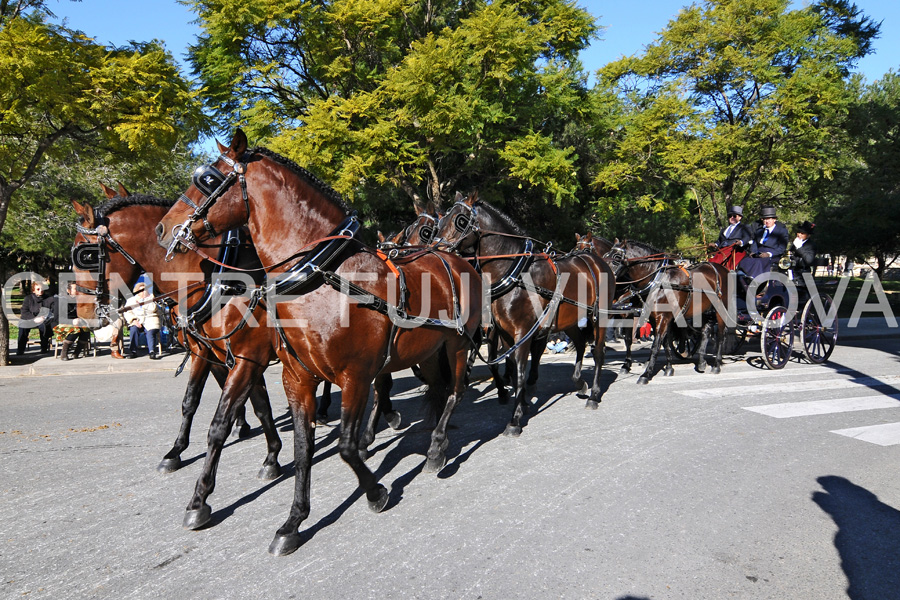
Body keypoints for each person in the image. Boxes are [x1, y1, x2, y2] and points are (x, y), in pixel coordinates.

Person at [738, 205, 789, 279]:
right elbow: (755, 243)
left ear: (774, 220)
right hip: (759, 253)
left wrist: (769, 254)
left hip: (772, 255)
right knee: (745, 260)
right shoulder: (760, 231)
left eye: (769, 219)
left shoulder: (782, 231)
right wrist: (753, 252)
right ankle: (741, 278)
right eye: (765, 219)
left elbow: (781, 248)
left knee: (758, 262)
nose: (767, 221)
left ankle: (754, 280)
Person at [52, 282, 92, 360]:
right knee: (75, 330)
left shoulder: (78, 300)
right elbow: (57, 318)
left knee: (86, 330)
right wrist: (71, 322)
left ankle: (76, 353)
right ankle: (64, 354)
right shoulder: (60, 300)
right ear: (68, 290)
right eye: (75, 289)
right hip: (60, 323)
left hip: (76, 322)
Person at [123, 282, 162, 359]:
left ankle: (152, 352)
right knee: (134, 329)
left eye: (145, 290)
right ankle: (133, 351)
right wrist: (134, 320)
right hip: (137, 321)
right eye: (141, 290)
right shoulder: (131, 300)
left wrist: (146, 301)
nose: (143, 292)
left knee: (150, 331)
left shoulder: (152, 298)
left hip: (151, 320)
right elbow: (127, 312)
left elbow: (153, 309)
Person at [17, 279, 55, 355]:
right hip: (30, 318)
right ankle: (20, 349)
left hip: (43, 319)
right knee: (23, 326)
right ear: (34, 290)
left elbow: (52, 311)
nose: (40, 290)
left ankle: (44, 347)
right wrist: (34, 319)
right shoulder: (28, 299)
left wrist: (44, 318)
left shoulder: (49, 299)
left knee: (44, 326)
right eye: (38, 289)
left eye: (42, 289)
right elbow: (24, 312)